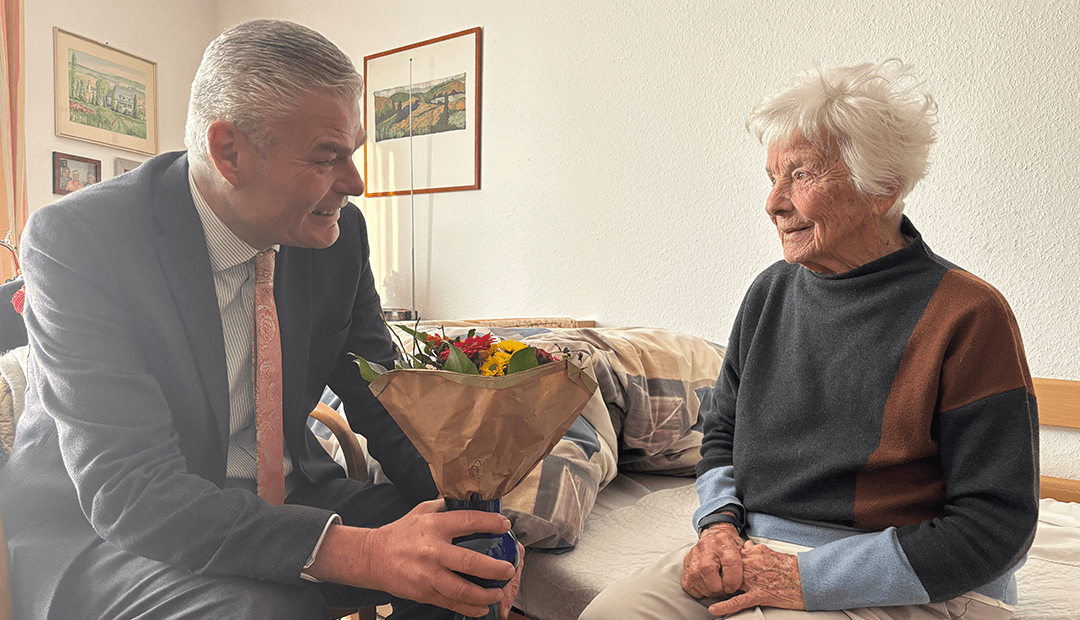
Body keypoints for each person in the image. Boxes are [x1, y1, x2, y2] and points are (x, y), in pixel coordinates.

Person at [0, 19, 521, 620]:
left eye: (353, 153)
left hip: (287, 497)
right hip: (107, 530)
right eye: (329, 158)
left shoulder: (339, 235)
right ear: (230, 153)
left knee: (467, 565)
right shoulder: (82, 239)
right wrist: (367, 554)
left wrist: (471, 511)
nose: (355, 184)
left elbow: (387, 399)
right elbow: (131, 491)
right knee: (264, 610)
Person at [580, 59, 1038, 620]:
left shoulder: (967, 313)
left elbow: (994, 529)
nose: (773, 203)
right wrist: (719, 525)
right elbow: (721, 433)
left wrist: (807, 579)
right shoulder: (770, 293)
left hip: (908, 574)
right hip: (757, 547)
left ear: (882, 189)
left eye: (800, 175)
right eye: (771, 178)